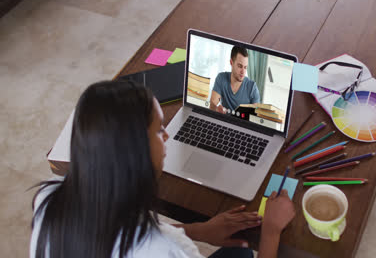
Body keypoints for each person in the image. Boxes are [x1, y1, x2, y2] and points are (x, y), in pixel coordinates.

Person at [30, 80, 295, 258]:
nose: (167, 135)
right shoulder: (165, 250)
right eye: (159, 129)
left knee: (238, 251)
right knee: (245, 251)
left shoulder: (48, 199)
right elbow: (155, 242)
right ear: (136, 152)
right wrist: (271, 231)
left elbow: (122, 234)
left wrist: (199, 230)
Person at [210, 46, 260, 114]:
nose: (243, 72)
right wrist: (217, 109)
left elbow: (255, 116)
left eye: (245, 67)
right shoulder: (221, 78)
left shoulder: (252, 87)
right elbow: (212, 105)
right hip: (223, 121)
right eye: (239, 66)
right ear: (231, 62)